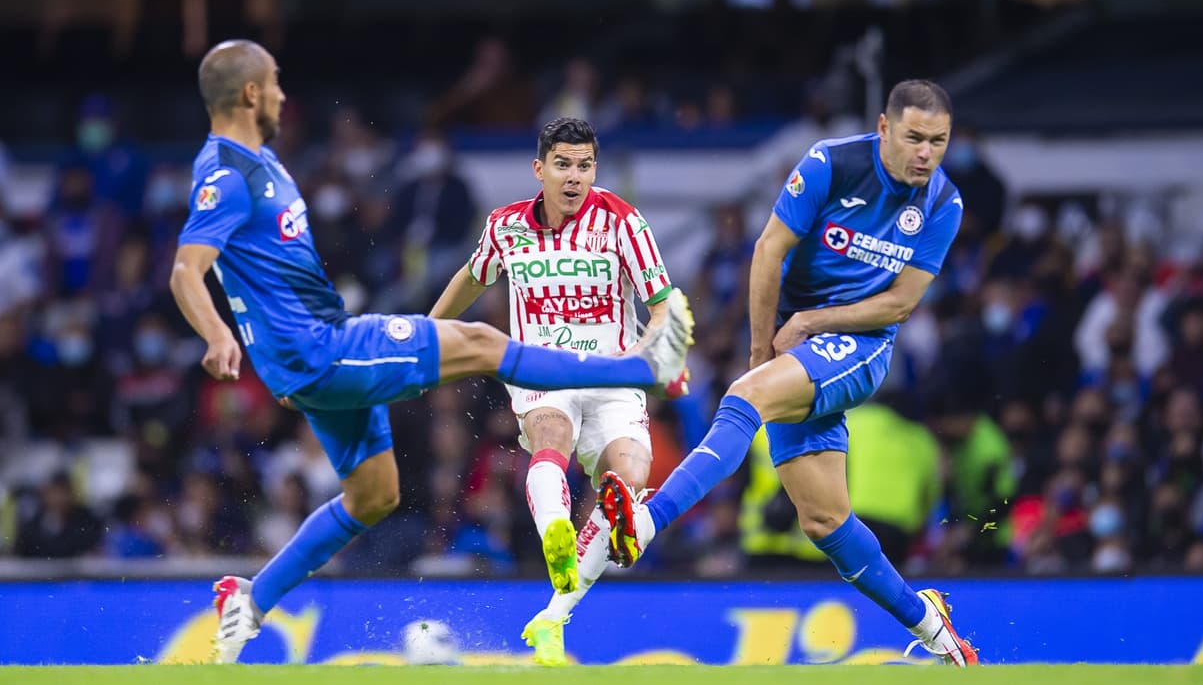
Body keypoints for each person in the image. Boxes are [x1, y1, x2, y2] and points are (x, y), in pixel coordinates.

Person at [169, 40, 694, 664]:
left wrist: (274, 357)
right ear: (251, 94)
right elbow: (187, 269)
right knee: (484, 343)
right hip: (322, 349)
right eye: (275, 83)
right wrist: (222, 335)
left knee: (375, 495)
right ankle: (640, 368)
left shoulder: (266, 164)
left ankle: (250, 601)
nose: (284, 93)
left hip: (312, 355)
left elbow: (254, 270)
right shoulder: (228, 173)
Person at [597, 79, 981, 665]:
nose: (926, 153)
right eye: (915, 138)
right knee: (825, 521)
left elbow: (901, 303)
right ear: (884, 128)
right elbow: (769, 249)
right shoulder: (831, 164)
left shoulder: (942, 204)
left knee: (743, 401)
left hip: (860, 347)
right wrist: (760, 352)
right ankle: (932, 624)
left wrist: (810, 322)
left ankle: (646, 523)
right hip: (793, 345)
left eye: (939, 141)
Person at [428, 117, 677, 666]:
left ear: (595, 169)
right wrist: (430, 331)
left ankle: (553, 616)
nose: (574, 177)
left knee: (629, 479)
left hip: (614, 376)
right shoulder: (505, 226)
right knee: (551, 435)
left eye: (584, 165)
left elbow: (661, 302)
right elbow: (473, 276)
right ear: (539, 169)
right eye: (563, 165)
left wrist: (662, 349)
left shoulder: (622, 222)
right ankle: (557, 532)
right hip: (544, 370)